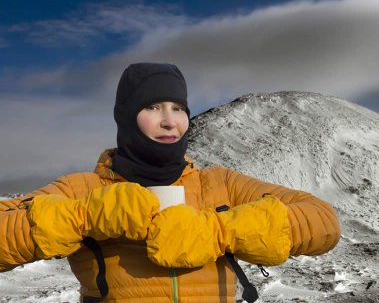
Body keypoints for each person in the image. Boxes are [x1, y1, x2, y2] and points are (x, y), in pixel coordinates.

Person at [0, 62, 341, 303]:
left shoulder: (219, 184)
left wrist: (219, 231)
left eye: (178, 108)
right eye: (152, 106)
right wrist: (84, 217)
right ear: (125, 117)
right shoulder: (84, 190)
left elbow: (323, 221)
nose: (169, 121)